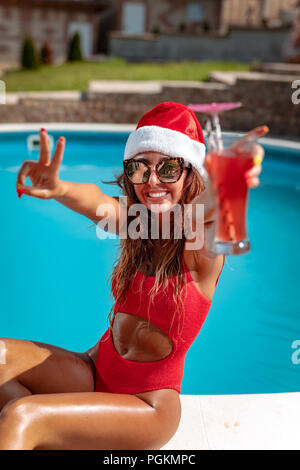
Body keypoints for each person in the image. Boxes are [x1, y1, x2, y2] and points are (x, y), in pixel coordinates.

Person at [0, 102, 264, 450]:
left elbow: (209, 210)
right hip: (94, 373)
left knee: (23, 416)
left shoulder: (199, 246)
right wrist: (59, 188)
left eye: (169, 169)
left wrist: (231, 179)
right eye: (140, 169)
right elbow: (98, 200)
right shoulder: (138, 226)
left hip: (147, 406)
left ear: (190, 175)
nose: (153, 181)